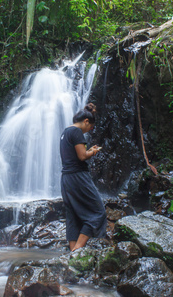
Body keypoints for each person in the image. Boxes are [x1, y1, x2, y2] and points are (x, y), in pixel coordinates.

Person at [60, 103, 107, 251]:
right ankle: (77, 251)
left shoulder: (65, 132)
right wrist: (93, 152)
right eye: (91, 127)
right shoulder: (76, 132)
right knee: (98, 213)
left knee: (73, 215)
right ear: (86, 121)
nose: (89, 131)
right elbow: (82, 156)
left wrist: (89, 150)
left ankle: (71, 255)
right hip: (78, 177)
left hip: (66, 178)